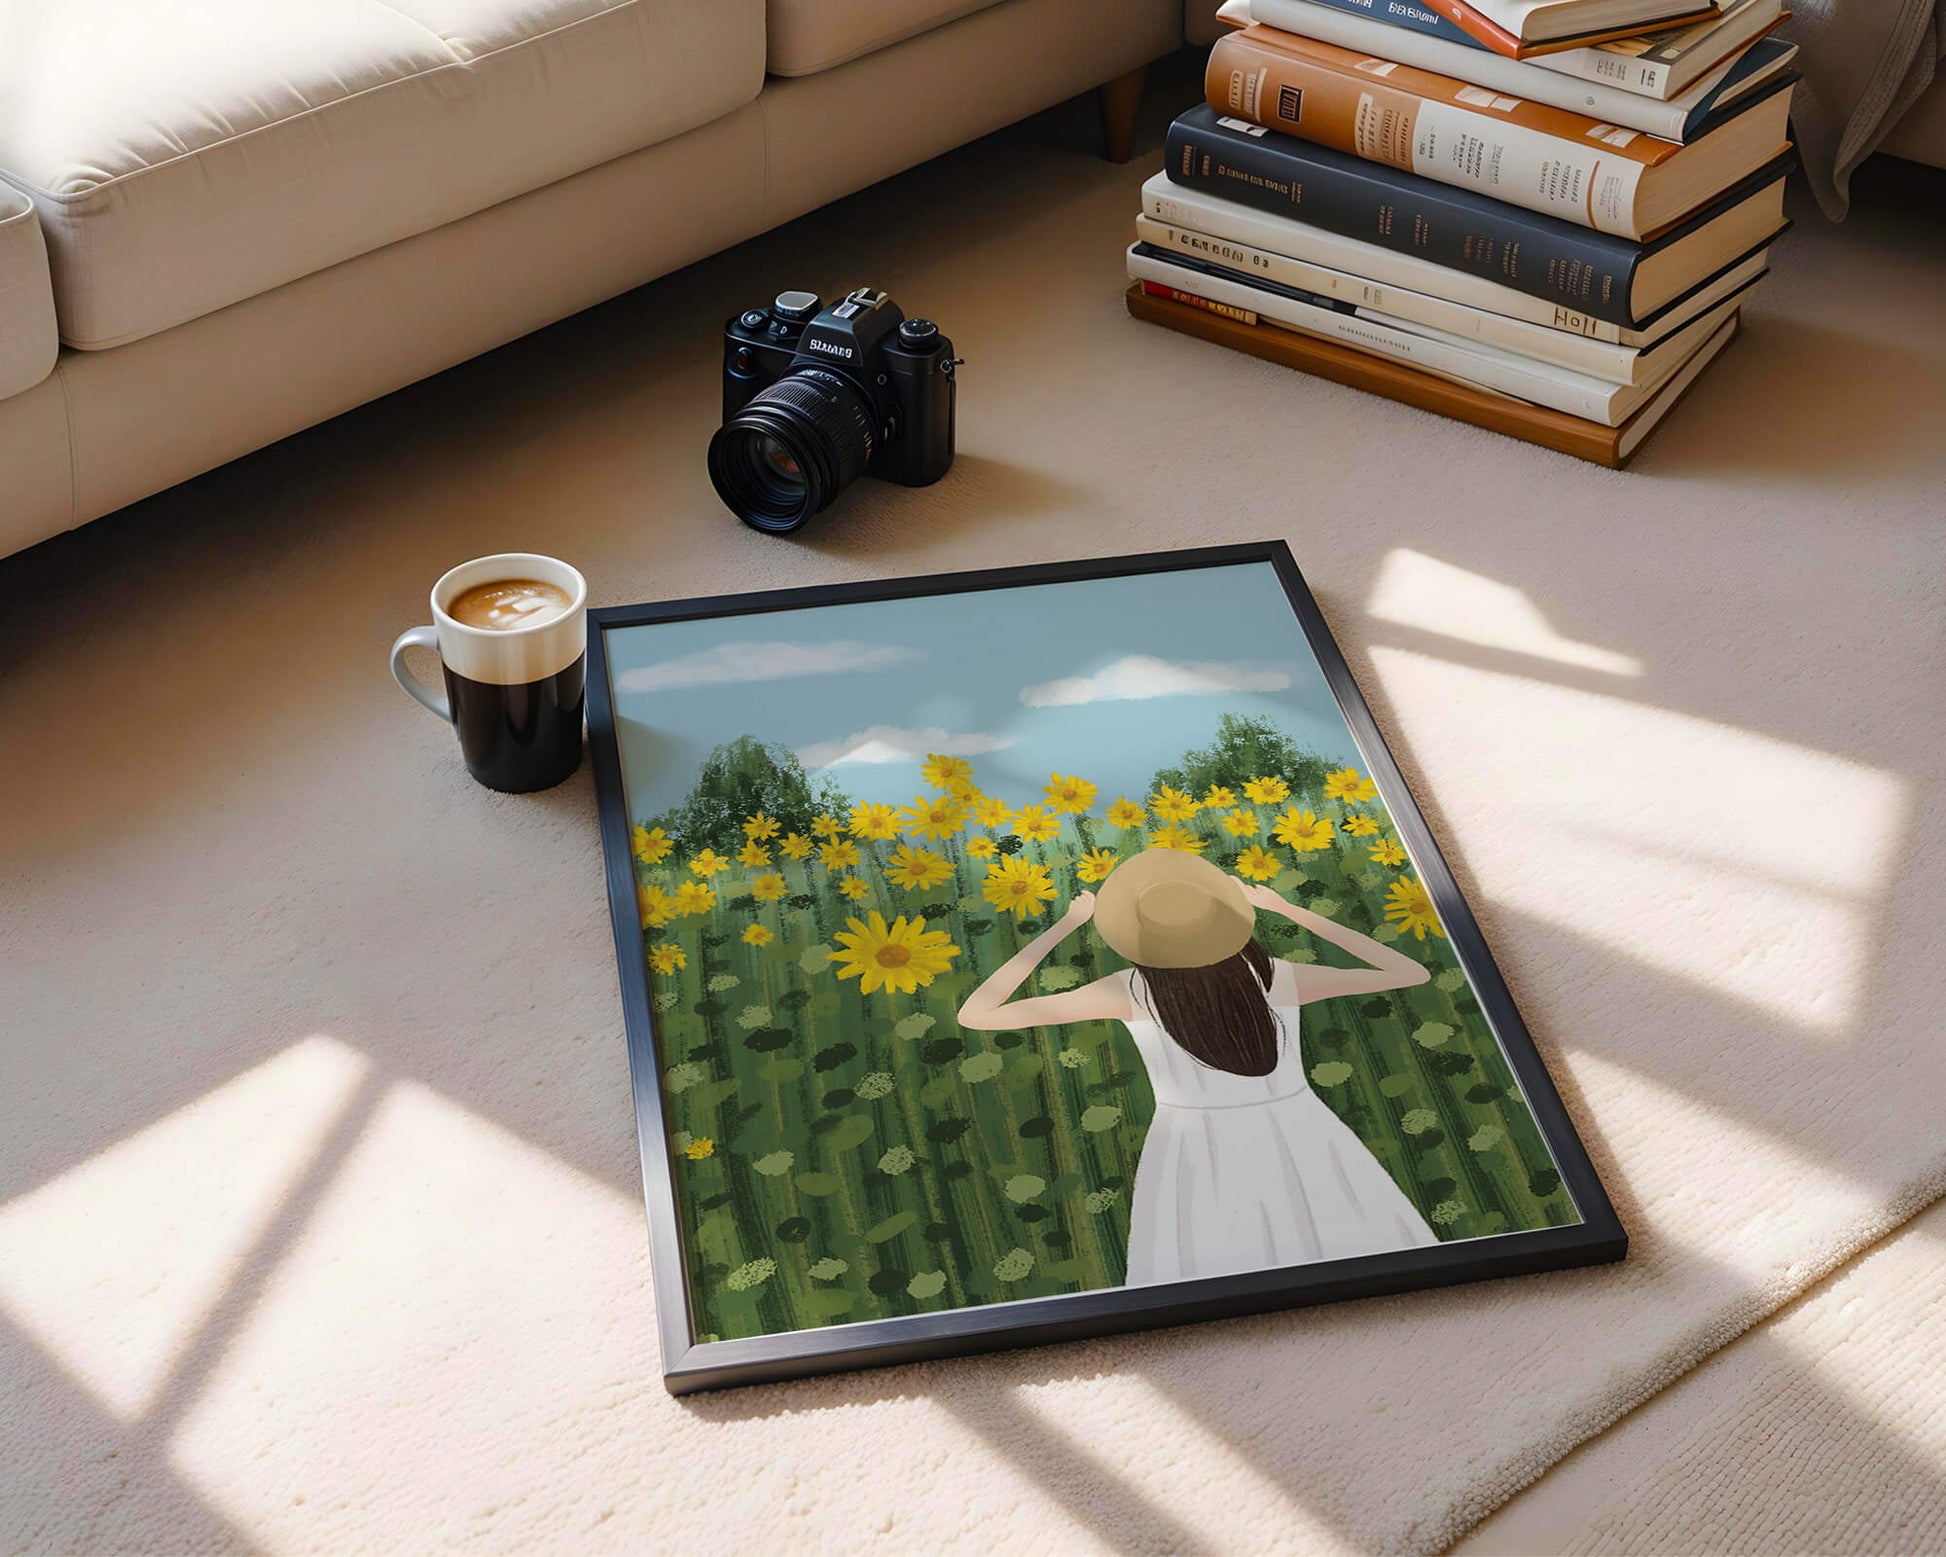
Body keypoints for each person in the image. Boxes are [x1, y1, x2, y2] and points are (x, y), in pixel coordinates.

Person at [958, 847, 1439, 1284]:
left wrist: (1064, 925)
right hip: (1304, 1130)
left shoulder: (1128, 991)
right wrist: (1289, 910)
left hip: (1193, 1147)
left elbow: (976, 1015)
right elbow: (1408, 971)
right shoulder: (1274, 976)